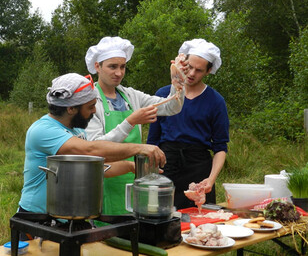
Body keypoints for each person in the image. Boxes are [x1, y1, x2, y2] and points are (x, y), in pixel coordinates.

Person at [18, 73, 167, 217]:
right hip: (37, 217)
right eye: (90, 107)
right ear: (71, 109)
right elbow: (91, 151)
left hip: (66, 216)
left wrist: (131, 167)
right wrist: (139, 148)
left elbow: (95, 167)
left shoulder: (77, 130)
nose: (94, 111)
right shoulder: (43, 130)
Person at [84, 36, 186, 215]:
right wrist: (131, 121)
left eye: (122, 67)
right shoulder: (90, 100)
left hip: (134, 177)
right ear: (97, 67)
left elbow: (171, 107)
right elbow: (96, 147)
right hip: (105, 178)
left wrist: (178, 82)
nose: (119, 73)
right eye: (112, 66)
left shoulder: (130, 96)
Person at [146, 38, 230, 210]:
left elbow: (220, 147)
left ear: (208, 71)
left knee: (199, 222)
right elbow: (152, 141)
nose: (191, 74)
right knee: (162, 217)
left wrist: (211, 179)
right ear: (182, 63)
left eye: (199, 70)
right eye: (189, 67)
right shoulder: (163, 94)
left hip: (199, 169)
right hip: (165, 165)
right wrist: (149, 174)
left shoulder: (215, 101)